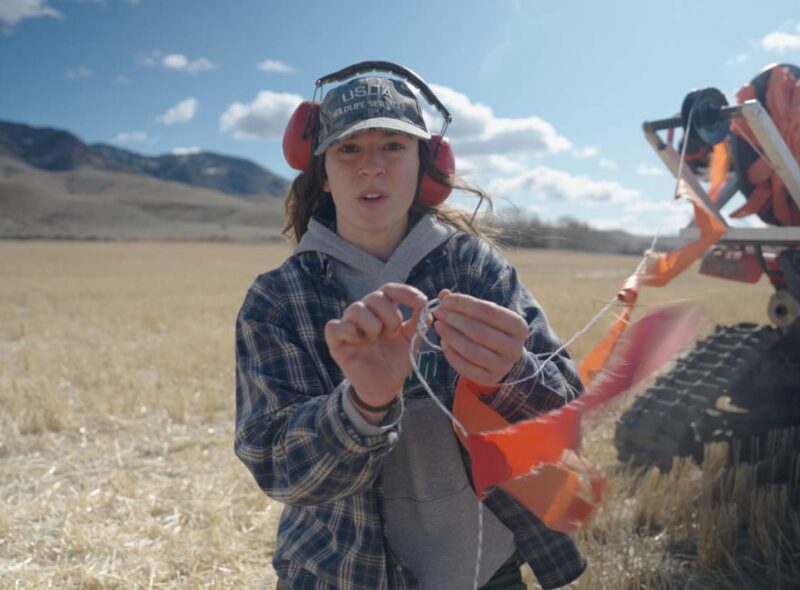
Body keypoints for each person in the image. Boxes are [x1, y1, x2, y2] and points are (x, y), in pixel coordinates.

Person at [235, 62, 586, 590]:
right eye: (348, 149)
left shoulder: (475, 268)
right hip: (343, 574)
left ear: (426, 167)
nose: (370, 166)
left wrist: (513, 377)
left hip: (488, 571)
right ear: (322, 173)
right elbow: (277, 466)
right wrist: (361, 408)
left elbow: (564, 417)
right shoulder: (280, 298)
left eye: (393, 146)